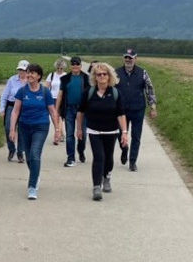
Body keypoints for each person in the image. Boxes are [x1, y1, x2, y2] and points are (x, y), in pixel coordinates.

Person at [8, 63, 61, 200]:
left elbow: (52, 111)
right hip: (24, 126)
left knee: (35, 154)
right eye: (28, 72)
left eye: (33, 73)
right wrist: (12, 129)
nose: (29, 75)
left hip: (40, 127)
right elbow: (15, 111)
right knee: (28, 157)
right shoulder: (22, 91)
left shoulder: (45, 92)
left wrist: (57, 129)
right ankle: (35, 175)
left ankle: (32, 187)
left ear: (38, 76)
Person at [76, 62, 127, 201]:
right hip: (94, 130)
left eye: (105, 74)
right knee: (99, 157)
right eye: (99, 74)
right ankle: (96, 187)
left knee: (109, 158)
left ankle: (107, 177)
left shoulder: (115, 93)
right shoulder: (89, 92)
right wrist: (79, 129)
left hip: (111, 130)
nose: (102, 76)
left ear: (109, 76)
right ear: (95, 77)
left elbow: (121, 114)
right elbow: (80, 112)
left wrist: (124, 132)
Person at [115, 48, 157, 172]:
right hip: (121, 110)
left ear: (135, 59)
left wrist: (153, 107)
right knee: (120, 133)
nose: (128, 60)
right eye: (126, 57)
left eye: (130, 58)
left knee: (136, 136)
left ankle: (133, 161)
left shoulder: (142, 72)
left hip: (138, 108)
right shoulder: (116, 72)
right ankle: (124, 150)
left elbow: (149, 89)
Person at [56, 56, 90, 167]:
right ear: (70, 66)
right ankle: (70, 158)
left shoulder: (86, 78)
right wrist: (56, 110)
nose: (75, 66)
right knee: (70, 134)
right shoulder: (65, 79)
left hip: (82, 109)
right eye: (73, 64)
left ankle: (81, 150)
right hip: (69, 108)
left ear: (80, 66)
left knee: (82, 134)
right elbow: (60, 95)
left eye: (77, 64)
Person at [0, 59, 29, 163]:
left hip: (24, 107)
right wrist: (2, 108)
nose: (22, 72)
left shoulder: (30, 81)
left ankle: (20, 152)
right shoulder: (12, 80)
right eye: (20, 70)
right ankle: (12, 149)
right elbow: (4, 95)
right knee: (8, 128)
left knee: (22, 130)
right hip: (11, 106)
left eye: (24, 70)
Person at [44, 58, 67, 144]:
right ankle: (60, 133)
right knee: (54, 117)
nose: (59, 70)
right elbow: (46, 86)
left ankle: (57, 135)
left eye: (61, 68)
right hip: (52, 98)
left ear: (63, 68)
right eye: (58, 68)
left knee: (59, 117)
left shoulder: (66, 75)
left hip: (62, 99)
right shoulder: (52, 75)